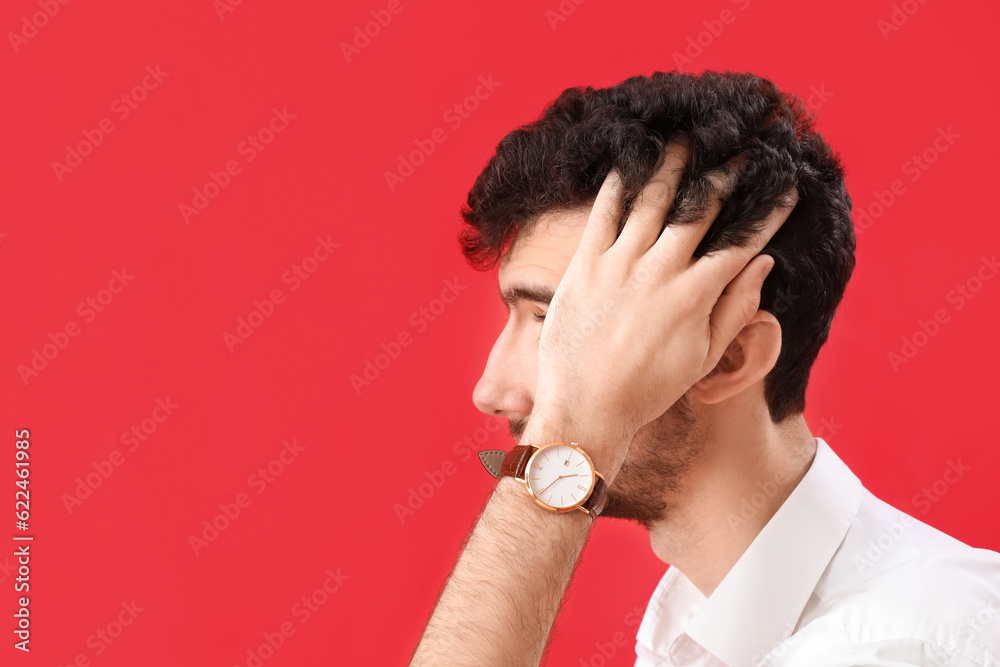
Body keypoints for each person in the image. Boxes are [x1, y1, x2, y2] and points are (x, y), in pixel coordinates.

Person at [408, 70, 1000, 667]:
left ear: (729, 358)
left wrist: (568, 445)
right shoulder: (691, 633)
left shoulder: (898, 646)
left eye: (556, 325)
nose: (490, 391)